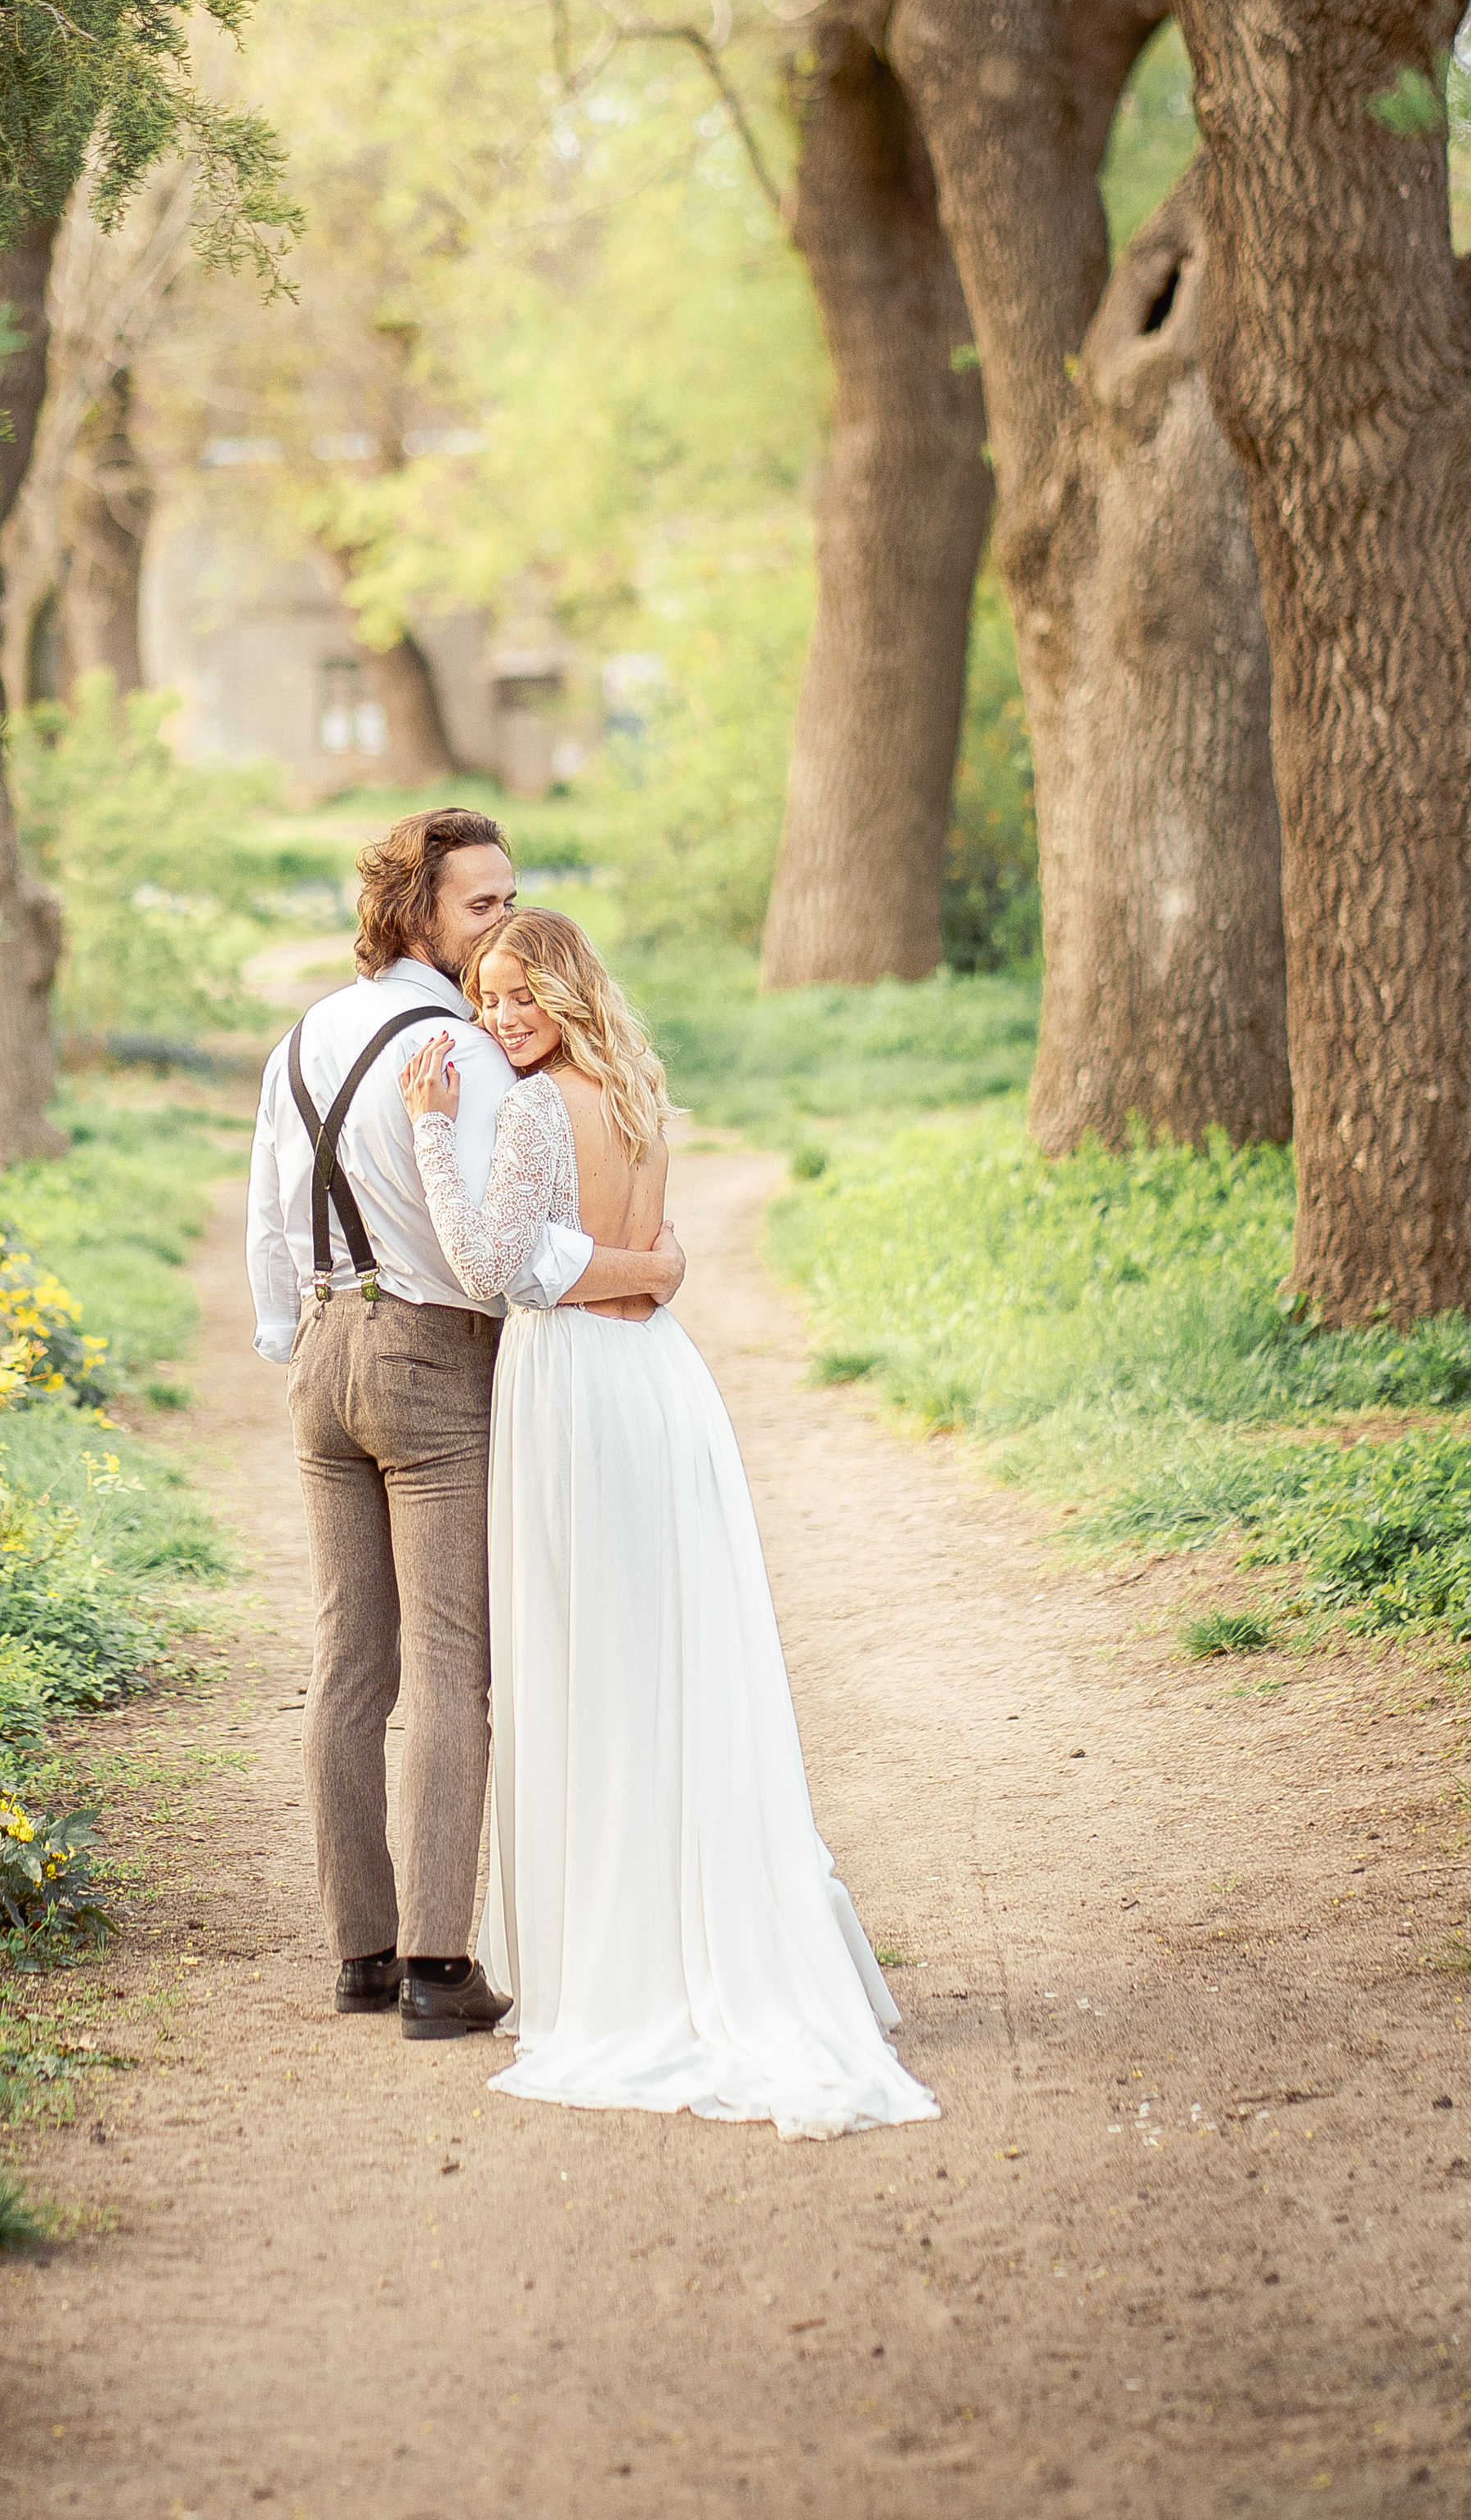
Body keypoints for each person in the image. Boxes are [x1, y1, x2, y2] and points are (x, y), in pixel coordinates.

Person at [398, 907, 938, 2138]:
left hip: (577, 1387)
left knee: (595, 1661)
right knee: (664, 1658)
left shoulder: (534, 1110)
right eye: (486, 999)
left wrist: (433, 1128)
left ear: (568, 991)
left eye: (521, 995)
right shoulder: (636, 1092)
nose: (500, 1019)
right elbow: (645, 1254)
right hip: (656, 1378)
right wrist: (649, 1271)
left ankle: (622, 1962)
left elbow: (489, 1268)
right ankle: (681, 1925)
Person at [247, 811, 688, 2040]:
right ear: (418, 915)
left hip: (322, 1352)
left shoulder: (302, 1038)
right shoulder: (468, 1054)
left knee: (348, 1660)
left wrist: (298, 1338)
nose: (506, 922)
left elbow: (270, 1219)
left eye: (509, 897)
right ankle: (439, 1966)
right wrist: (649, 1269)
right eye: (481, 905)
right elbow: (511, 1258)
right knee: (450, 1663)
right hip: (432, 1355)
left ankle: (361, 1953)